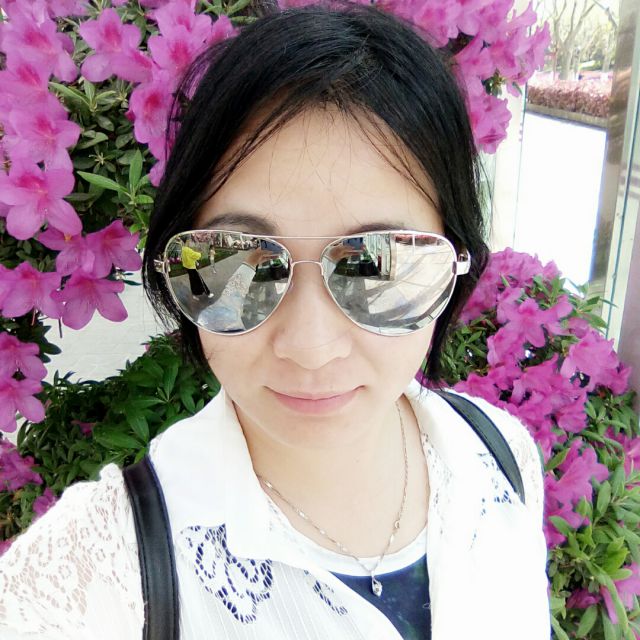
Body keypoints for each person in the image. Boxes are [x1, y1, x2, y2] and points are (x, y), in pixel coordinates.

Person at [0, 3, 551, 639]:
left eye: (378, 265)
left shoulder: (502, 457)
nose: (310, 347)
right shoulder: (83, 582)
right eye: (238, 261)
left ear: (455, 261)